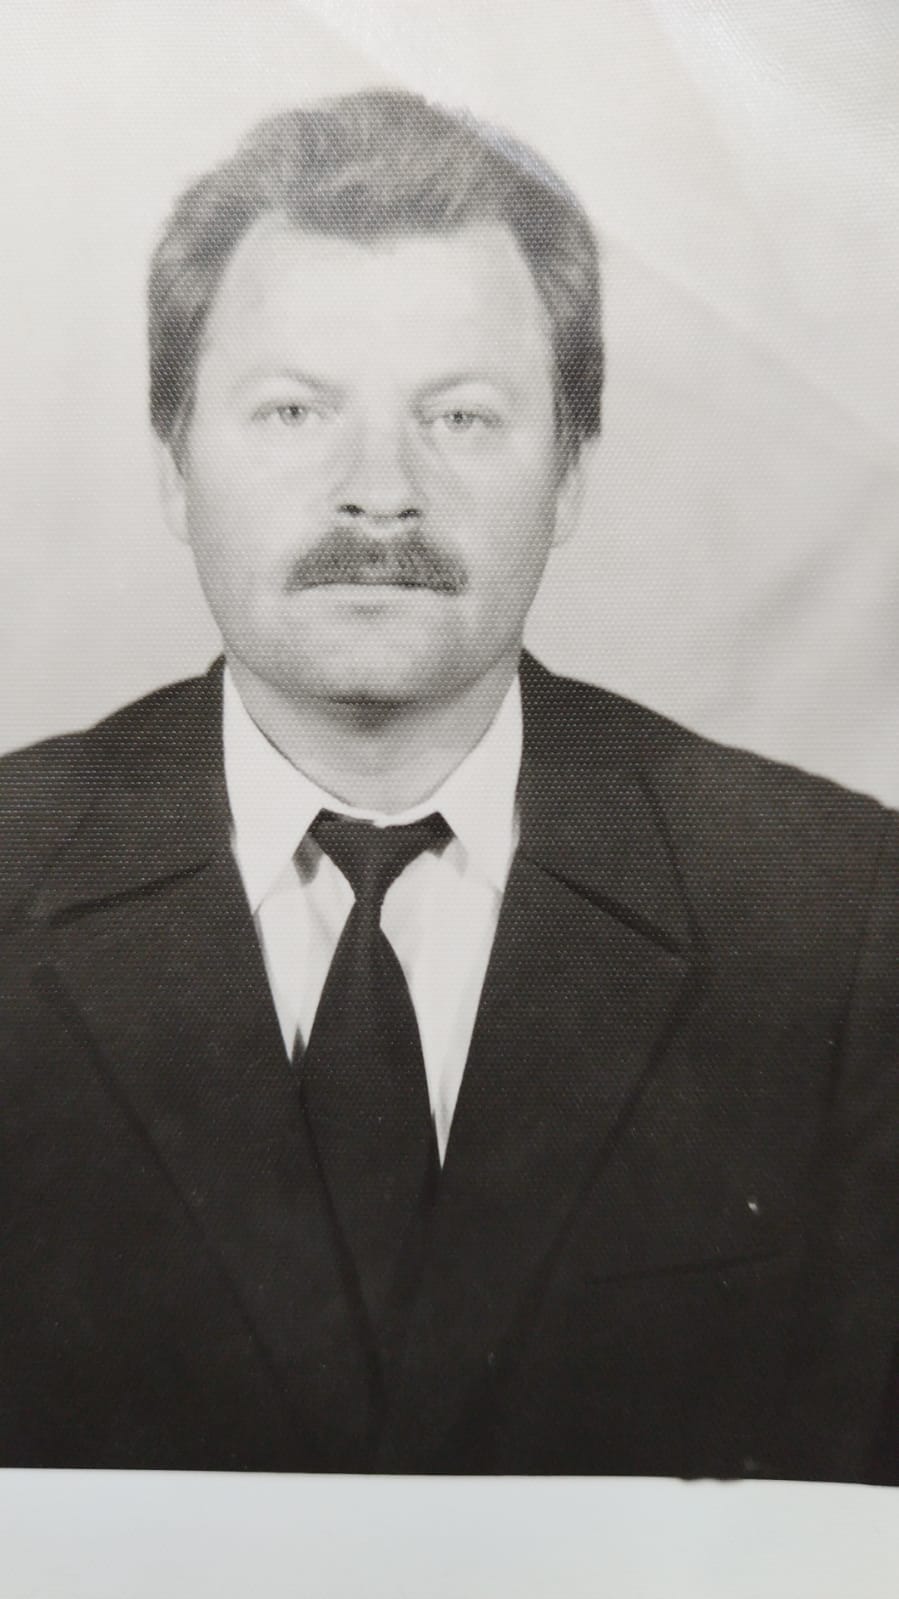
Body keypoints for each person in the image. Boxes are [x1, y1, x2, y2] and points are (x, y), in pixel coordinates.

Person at [1, 87, 897, 1482]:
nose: (380, 492)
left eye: (463, 417)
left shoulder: (840, 911)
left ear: (570, 476)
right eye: (294, 410)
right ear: (175, 469)